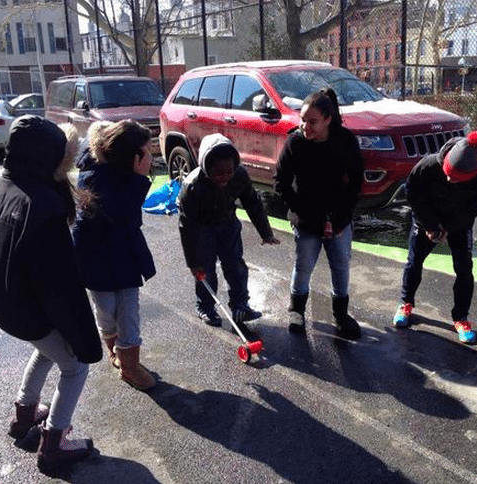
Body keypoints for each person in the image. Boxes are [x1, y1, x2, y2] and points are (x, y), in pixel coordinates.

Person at [0, 115, 101, 471]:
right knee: (75, 364)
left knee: (48, 347)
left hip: (0, 301)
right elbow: (61, 285)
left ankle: (24, 413)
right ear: (49, 158)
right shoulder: (41, 205)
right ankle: (54, 442)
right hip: (27, 307)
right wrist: (85, 340)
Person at [72, 120, 157, 391]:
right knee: (107, 311)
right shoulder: (94, 177)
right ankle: (114, 350)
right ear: (131, 156)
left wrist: (136, 178)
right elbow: (119, 213)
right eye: (146, 151)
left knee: (128, 312)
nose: (151, 156)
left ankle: (130, 366)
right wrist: (140, 178)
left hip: (124, 256)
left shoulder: (120, 174)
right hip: (97, 260)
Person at [274, 88, 364, 340]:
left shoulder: (345, 140)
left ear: (328, 119)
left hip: (339, 219)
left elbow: (356, 181)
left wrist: (338, 218)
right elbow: (280, 183)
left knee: (340, 266)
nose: (305, 126)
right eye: (302, 119)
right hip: (306, 219)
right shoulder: (295, 143)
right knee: (303, 265)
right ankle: (297, 310)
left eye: (312, 121)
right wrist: (310, 217)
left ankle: (340, 314)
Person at [392, 131, 477, 344]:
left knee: (464, 269)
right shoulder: (428, 165)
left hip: (459, 222)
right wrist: (430, 225)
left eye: (456, 178)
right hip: (426, 220)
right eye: (448, 173)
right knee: (414, 261)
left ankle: (461, 318)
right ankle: (405, 303)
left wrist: (450, 227)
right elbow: (412, 193)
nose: (449, 179)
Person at [177, 133, 280, 334]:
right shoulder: (192, 186)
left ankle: (240, 305)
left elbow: (253, 203)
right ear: (207, 168)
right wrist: (192, 262)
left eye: (228, 172)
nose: (224, 177)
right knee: (205, 270)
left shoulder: (239, 175)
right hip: (201, 229)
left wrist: (265, 233)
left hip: (228, 224)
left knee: (235, 265)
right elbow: (186, 226)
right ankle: (205, 306)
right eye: (218, 173)